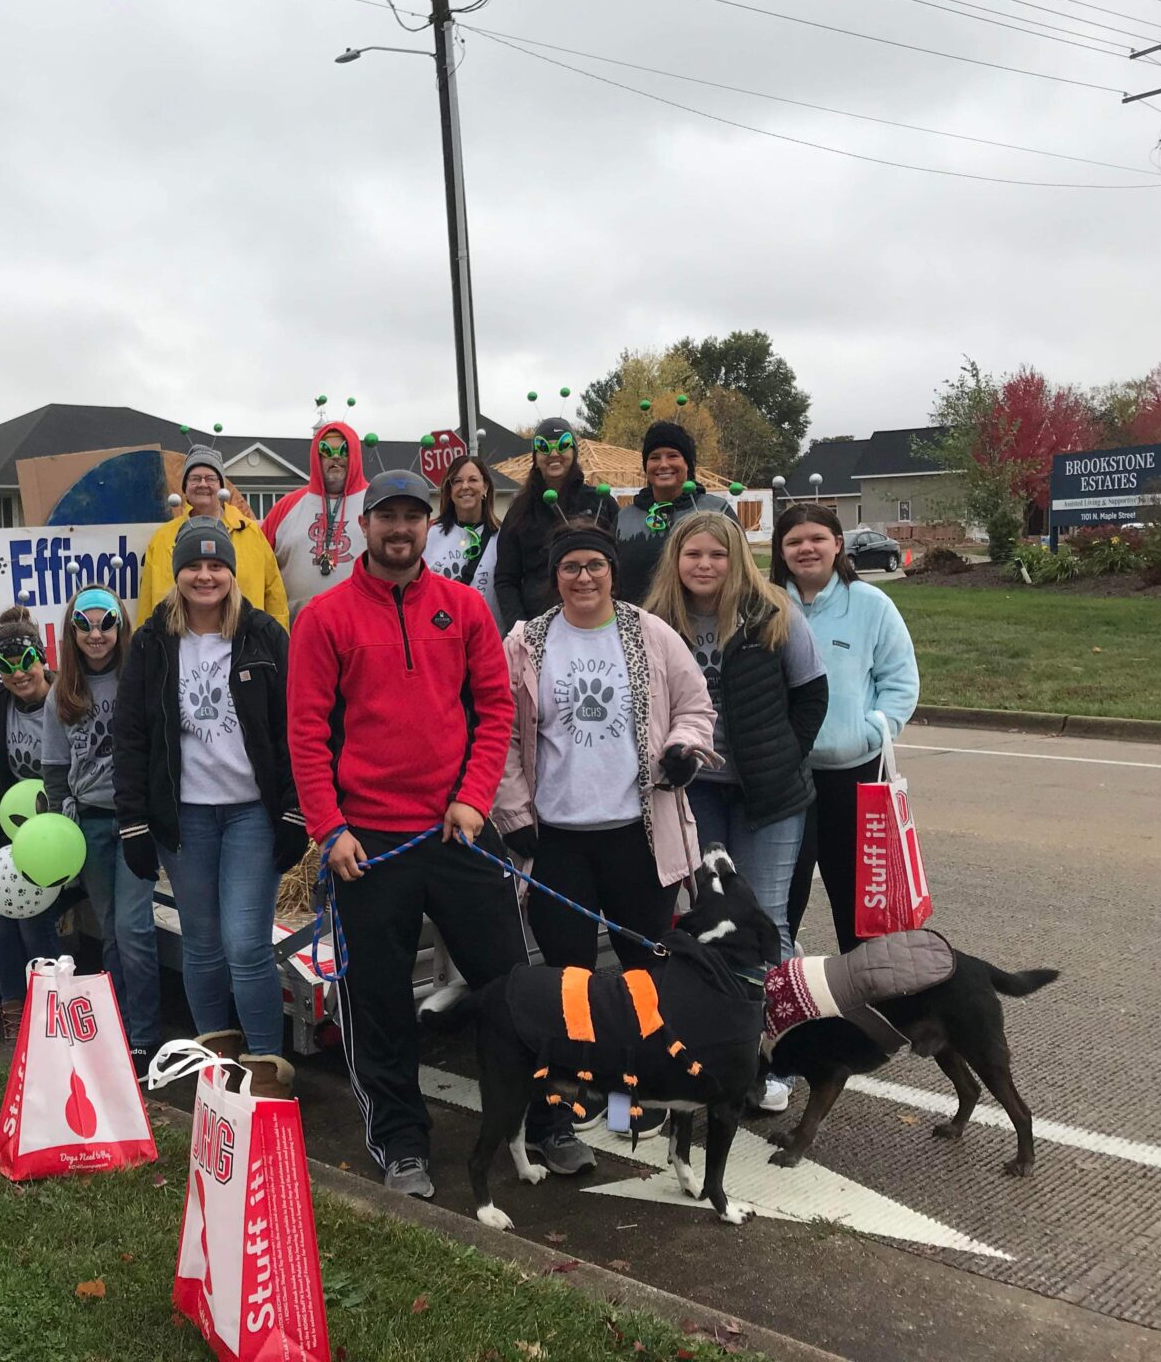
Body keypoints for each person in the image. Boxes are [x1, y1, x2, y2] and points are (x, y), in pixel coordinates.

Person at [288, 470, 592, 1195]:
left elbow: (494, 711)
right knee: (380, 999)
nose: (399, 530)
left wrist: (474, 798)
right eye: (386, 517)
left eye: (412, 518)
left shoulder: (463, 608)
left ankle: (547, 1120)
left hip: (458, 832)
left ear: (429, 527)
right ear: (364, 528)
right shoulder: (325, 620)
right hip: (370, 846)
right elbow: (304, 734)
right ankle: (400, 1140)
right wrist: (330, 831)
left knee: (515, 987)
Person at [644, 513, 827, 1113]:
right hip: (694, 791)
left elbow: (812, 694)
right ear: (676, 559)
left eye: (717, 555)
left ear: (737, 558)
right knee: (705, 918)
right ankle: (716, 1044)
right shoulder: (655, 621)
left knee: (767, 921)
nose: (704, 565)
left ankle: (779, 1057)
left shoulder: (773, 613)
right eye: (692, 554)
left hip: (766, 796)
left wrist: (783, 757)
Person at [117, 517, 303, 1098]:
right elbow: (131, 736)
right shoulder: (151, 642)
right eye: (193, 566)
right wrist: (134, 824)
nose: (205, 575)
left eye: (216, 564)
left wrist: (296, 812)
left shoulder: (264, 635)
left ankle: (268, 1068)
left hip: (251, 811)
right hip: (184, 816)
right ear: (177, 576)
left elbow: (294, 728)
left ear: (231, 571)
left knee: (244, 941)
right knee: (200, 941)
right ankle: (218, 1065)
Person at [493, 526, 716, 1000]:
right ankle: (578, 1067)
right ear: (556, 577)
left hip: (640, 838)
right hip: (556, 841)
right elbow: (503, 735)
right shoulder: (526, 643)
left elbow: (695, 707)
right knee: (570, 977)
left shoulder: (651, 633)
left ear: (613, 572)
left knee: (645, 973)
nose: (584, 577)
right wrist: (512, 812)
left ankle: (648, 1063)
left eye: (595, 565)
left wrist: (683, 748)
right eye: (570, 567)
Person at [774, 503, 920, 953]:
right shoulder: (764, 604)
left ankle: (868, 1005)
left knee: (859, 906)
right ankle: (775, 996)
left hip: (852, 774)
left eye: (817, 538)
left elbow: (900, 681)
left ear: (838, 544)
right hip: (783, 776)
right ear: (781, 550)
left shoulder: (871, 604)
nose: (806, 549)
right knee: (780, 901)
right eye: (794, 541)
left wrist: (871, 731)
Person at [42, 584, 162, 1069]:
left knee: (134, 927)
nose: (96, 634)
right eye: (85, 625)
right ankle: (121, 1022)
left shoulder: (139, 677)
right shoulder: (62, 692)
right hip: (88, 822)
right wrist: (62, 823)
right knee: (111, 929)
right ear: (71, 632)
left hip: (134, 822)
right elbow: (54, 768)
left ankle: (147, 1033)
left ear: (120, 625)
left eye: (106, 623)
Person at [0, 608, 61, 1040]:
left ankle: (52, 1006)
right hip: (21, 827)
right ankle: (14, 1007)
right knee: (1, 907)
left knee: (32, 913)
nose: (17, 674)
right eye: (4, 666)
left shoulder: (63, 699)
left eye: (25, 661)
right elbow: (4, 777)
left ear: (41, 656)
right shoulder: (2, 703)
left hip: (62, 827)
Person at [139, 444, 289, 629]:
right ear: (185, 489)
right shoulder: (163, 538)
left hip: (245, 644)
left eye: (210, 478)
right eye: (195, 479)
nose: (203, 484)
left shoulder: (251, 532)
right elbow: (147, 601)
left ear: (222, 487)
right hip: (177, 643)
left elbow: (274, 595)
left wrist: (279, 644)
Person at [493, 417, 619, 630]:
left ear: (574, 451)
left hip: (595, 621)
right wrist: (521, 627)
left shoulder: (600, 502)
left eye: (563, 445)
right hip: (538, 625)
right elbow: (506, 578)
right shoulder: (519, 511)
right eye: (543, 447)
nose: (553, 454)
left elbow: (618, 563)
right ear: (535, 456)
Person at [614, 420, 737, 603]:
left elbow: (741, 571)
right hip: (638, 626)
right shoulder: (625, 519)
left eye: (673, 456)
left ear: (688, 465)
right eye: (655, 457)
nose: (663, 464)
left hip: (702, 626)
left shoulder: (717, 511)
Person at [261, 421, 368, 620]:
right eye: (326, 450)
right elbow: (259, 563)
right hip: (296, 633)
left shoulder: (375, 501)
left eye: (343, 450)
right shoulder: (286, 507)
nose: (335, 457)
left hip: (363, 631)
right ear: (315, 456)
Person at [421, 454, 502, 626]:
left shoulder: (502, 537)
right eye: (457, 481)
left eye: (473, 480)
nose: (465, 486)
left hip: (489, 637)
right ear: (449, 491)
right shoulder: (430, 534)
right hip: (442, 636)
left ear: (485, 487)